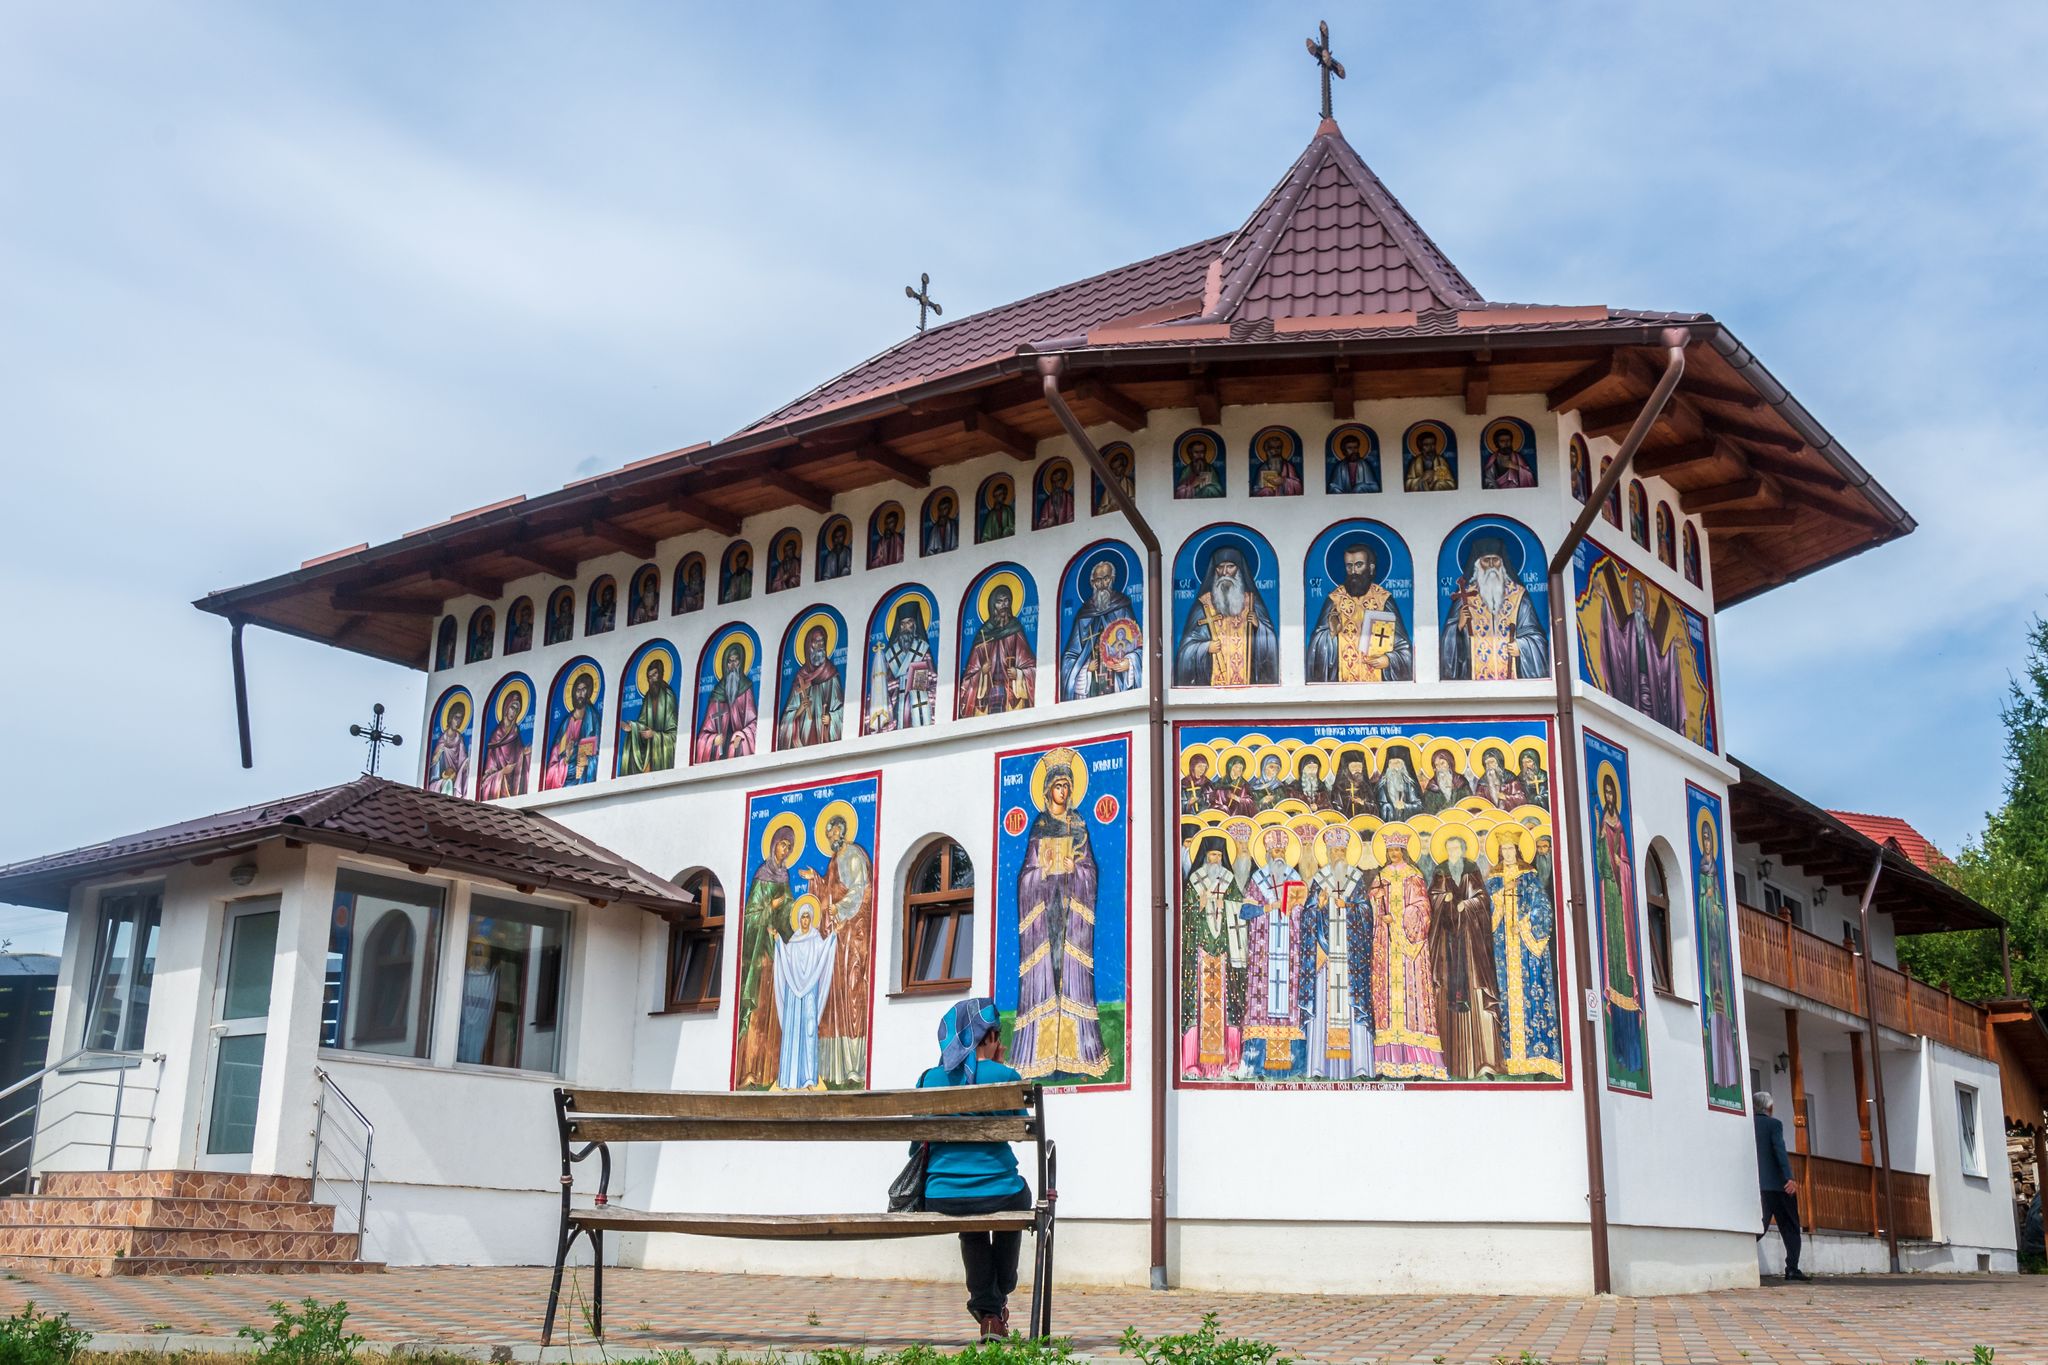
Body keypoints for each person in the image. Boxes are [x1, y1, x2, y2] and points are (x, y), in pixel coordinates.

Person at [917, 999, 1033, 1341]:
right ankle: (998, 1297)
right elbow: (1022, 1129)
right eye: (996, 1034)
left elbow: (916, 1143)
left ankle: (989, 1313)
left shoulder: (929, 1079)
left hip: (942, 1195)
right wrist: (996, 1067)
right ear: (990, 1037)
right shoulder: (1005, 1076)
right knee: (1017, 1197)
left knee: (972, 1221)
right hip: (998, 1191)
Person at [1010, 752, 1107, 1081]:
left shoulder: (1078, 825)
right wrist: (1041, 873)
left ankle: (1075, 1054)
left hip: (1071, 911)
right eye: (1058, 786)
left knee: (1070, 974)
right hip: (1044, 911)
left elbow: (1090, 869)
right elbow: (1026, 875)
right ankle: (1041, 1055)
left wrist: (1074, 869)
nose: (1063, 792)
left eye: (1067, 786)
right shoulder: (1038, 827)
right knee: (1046, 972)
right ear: (1049, 789)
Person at [1441, 535, 1549, 681]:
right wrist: (1458, 627)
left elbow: (1537, 637)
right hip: (1473, 686)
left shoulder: (1518, 596)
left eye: (1496, 560)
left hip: (1514, 686)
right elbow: (1447, 644)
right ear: (1477, 565)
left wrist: (1522, 647)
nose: (1492, 565)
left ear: (1502, 564)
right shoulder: (1465, 598)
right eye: (1486, 560)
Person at [1172, 545, 1279, 686]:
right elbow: (1185, 649)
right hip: (1211, 685)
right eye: (1220, 567)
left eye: (1230, 566)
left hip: (1249, 684)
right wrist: (1206, 647)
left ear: (1239, 570)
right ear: (1214, 571)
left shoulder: (1252, 603)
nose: (1224, 572)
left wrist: (1259, 627)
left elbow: (1271, 642)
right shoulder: (1204, 605)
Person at [1308, 541, 1411, 682]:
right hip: (1342, 686)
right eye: (1349, 566)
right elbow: (1316, 647)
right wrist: (1331, 634)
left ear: (1371, 568)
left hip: (1377, 688)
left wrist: (1388, 660)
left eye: (1359, 565)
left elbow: (1403, 647)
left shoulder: (1383, 600)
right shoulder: (1335, 600)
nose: (1354, 571)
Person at [1059, 557, 1140, 699]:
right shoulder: (1084, 614)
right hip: (1092, 681)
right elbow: (1070, 654)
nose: (1102, 584)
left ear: (1113, 579)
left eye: (1106, 579)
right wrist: (1084, 668)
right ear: (1092, 583)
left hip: (1117, 678)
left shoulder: (1122, 607)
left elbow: (1138, 644)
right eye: (1097, 580)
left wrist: (1130, 662)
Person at [958, 585, 1035, 717]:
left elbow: (1031, 667)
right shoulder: (983, 636)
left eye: (1006, 601)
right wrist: (982, 672)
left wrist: (1018, 673)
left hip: (1012, 694)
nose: (1004, 605)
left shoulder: (1015, 630)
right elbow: (968, 677)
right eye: (999, 602)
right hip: (987, 696)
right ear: (993, 606)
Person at [1754, 1092, 1808, 1280]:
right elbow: (1779, 1150)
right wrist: (1789, 1178)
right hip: (1779, 1185)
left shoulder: (1747, 1124)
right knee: (1791, 1226)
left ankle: (1740, 1255)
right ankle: (1792, 1268)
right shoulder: (1774, 1124)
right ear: (1770, 1108)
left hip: (1758, 1184)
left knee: (1761, 1224)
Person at [776, 625, 843, 748]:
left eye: (822, 642)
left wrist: (831, 719)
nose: (819, 646)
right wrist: (799, 710)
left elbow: (841, 708)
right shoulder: (800, 678)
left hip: (824, 736)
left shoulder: (831, 674)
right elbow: (786, 718)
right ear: (808, 646)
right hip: (802, 737)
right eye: (815, 642)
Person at [693, 642, 758, 761]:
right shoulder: (717, 693)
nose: (733, 665)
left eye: (736, 660)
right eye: (729, 661)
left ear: (741, 662)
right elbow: (704, 733)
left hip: (737, 745)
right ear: (725, 664)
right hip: (720, 749)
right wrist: (713, 739)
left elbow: (754, 723)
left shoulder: (745, 688)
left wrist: (742, 735)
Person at [617, 655, 679, 776]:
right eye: (649, 677)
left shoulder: (669, 696)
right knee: (631, 740)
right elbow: (643, 724)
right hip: (650, 746)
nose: (652, 680)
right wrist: (633, 727)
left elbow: (673, 734)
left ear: (661, 674)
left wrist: (654, 735)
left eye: (655, 675)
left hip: (662, 749)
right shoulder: (648, 698)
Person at [478, 690, 529, 800]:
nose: (513, 712)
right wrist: (502, 772)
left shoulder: (515, 733)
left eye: (517, 709)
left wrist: (524, 754)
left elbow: (519, 756)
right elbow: (486, 778)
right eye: (512, 707)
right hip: (499, 785)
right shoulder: (495, 738)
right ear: (506, 707)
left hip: (512, 784)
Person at [1251, 431, 1302, 496]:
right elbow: (1255, 490)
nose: (1276, 450)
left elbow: (1299, 487)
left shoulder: (1288, 467)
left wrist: (1284, 481)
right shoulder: (1263, 468)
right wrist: (1266, 491)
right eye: (1272, 448)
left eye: (1278, 447)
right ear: (1267, 450)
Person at [1327, 429, 1378, 493]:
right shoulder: (1339, 467)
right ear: (1344, 450)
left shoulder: (1364, 465)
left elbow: (1375, 487)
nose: (1353, 451)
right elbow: (1333, 487)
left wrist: (1360, 487)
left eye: (1355, 447)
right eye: (1350, 448)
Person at [1035, 463, 1073, 528]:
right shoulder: (1047, 503)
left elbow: (1072, 517)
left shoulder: (1068, 498)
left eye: (1058, 481)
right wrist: (1049, 522)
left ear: (1063, 482)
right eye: (1053, 481)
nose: (1055, 484)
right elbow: (1041, 524)